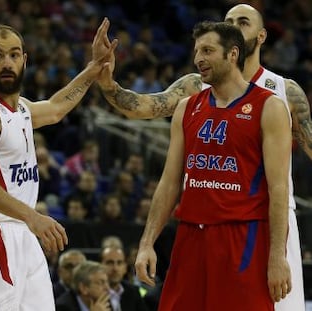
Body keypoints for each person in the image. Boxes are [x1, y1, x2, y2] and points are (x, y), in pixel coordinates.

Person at [96, 4, 311, 310]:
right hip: (196, 227)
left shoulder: (281, 93)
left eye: (242, 22)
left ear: (254, 39)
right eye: (228, 21)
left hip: (260, 221)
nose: (199, 58)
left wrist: (277, 254)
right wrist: (108, 83)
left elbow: (288, 174)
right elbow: (144, 108)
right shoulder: (193, 89)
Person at [0, 19, 117, 311]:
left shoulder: (21, 109)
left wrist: (93, 69)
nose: (7, 62)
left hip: (23, 233)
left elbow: (54, 109)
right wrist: (33, 217)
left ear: (24, 60)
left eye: (14, 54)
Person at [135, 21, 292, 310]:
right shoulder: (187, 107)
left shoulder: (269, 107)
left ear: (232, 54)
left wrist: (277, 256)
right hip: (190, 235)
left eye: (207, 51)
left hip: (241, 236)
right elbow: (170, 182)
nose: (198, 59)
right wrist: (147, 243)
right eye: (197, 52)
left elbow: (279, 189)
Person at [100, 246, 149, 311]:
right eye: (110, 263)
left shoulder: (133, 291)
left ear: (125, 267)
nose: (115, 268)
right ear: (99, 265)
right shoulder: (92, 292)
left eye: (119, 263)